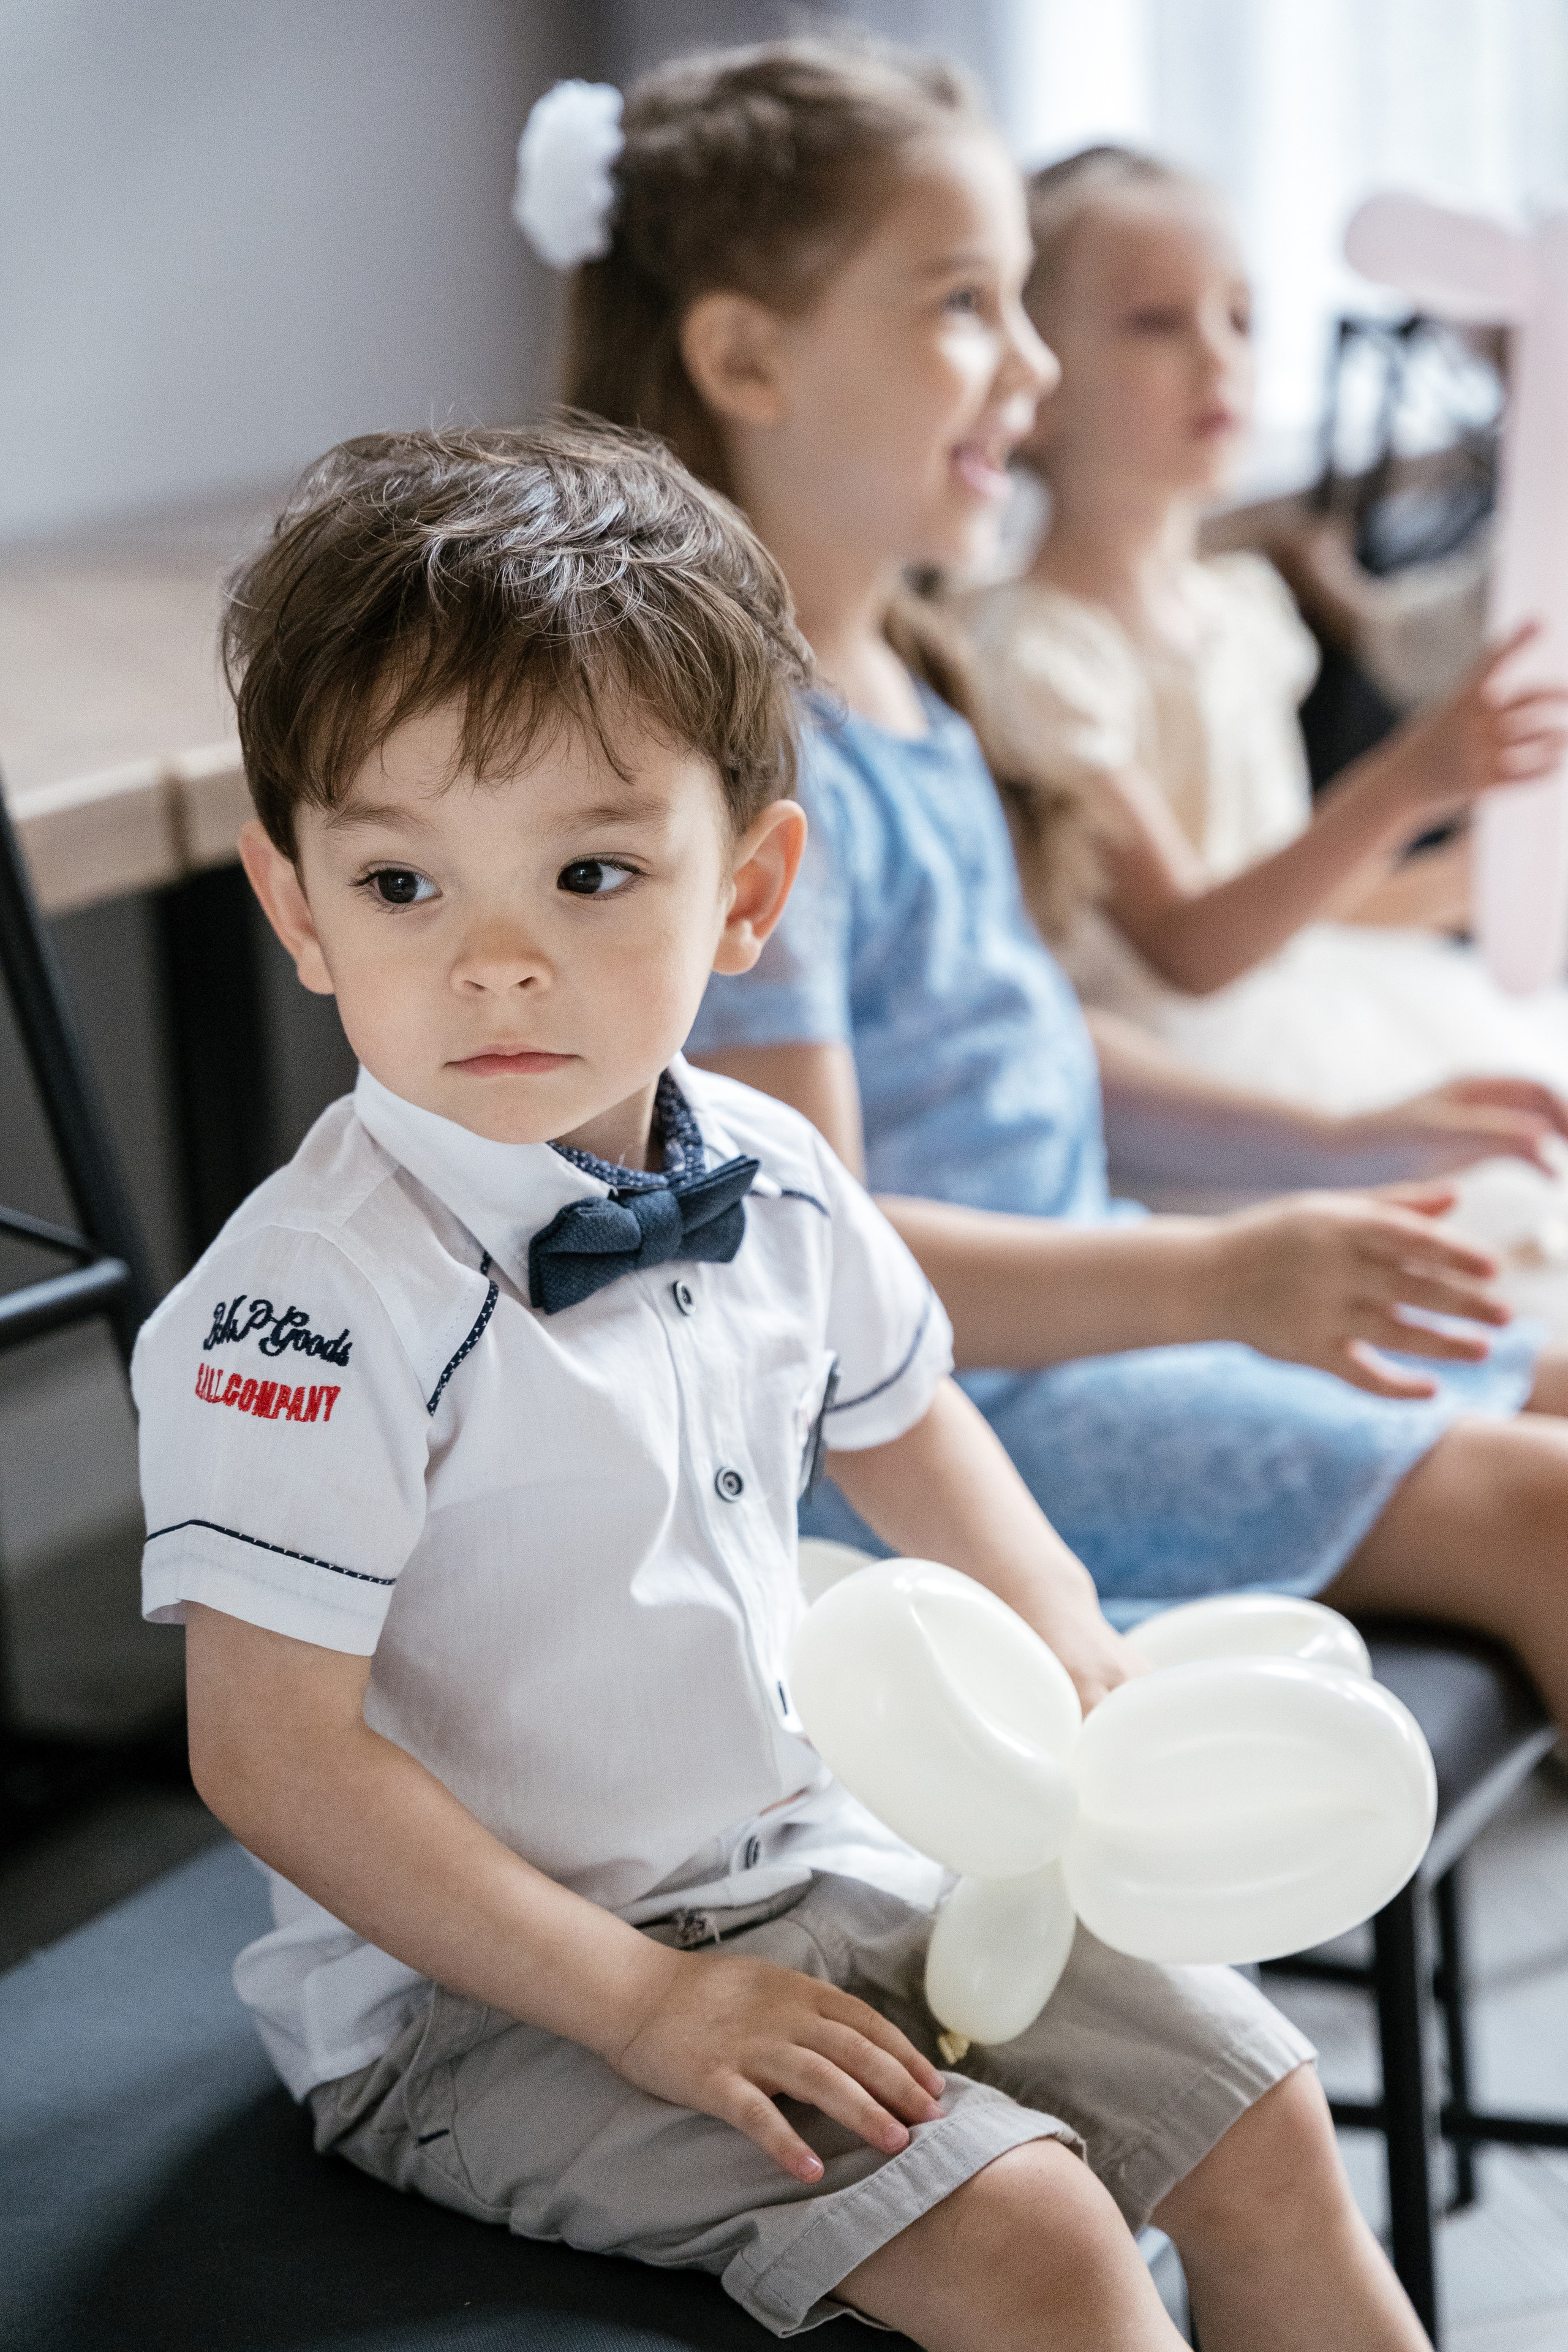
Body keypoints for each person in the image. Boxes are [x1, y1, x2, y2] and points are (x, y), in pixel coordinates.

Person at [130, 418, 1414, 2352]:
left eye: (588, 872)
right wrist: (646, 2004)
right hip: (480, 1994)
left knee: (1262, 2109)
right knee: (1043, 2244)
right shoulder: (311, 1308)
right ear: (297, 906)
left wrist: (1072, 1652)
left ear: (745, 894)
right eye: (402, 888)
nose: (494, 965)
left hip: (817, 1854)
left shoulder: (777, 1168)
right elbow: (275, 1754)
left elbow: (907, 1421)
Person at [552, 35, 1568, 1747]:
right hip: (940, 1434)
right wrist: (1222, 1280)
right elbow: (819, 1263)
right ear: (745, 356)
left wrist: (1339, 1146)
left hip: (1082, 1326)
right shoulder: (740, 772)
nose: (1029, 370)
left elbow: (1025, 1061)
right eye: (966, 304)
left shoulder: (911, 683)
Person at [956, 145, 1568, 1148]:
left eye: (1240, 317)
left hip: (1307, 1007)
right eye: (1157, 322)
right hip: (1177, 1081)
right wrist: (1409, 780)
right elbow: (1190, 952)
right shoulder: (1036, 656)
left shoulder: (1243, 609)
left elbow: (1299, 908)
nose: (1218, 356)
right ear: (1039, 383)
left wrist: (1474, 871)